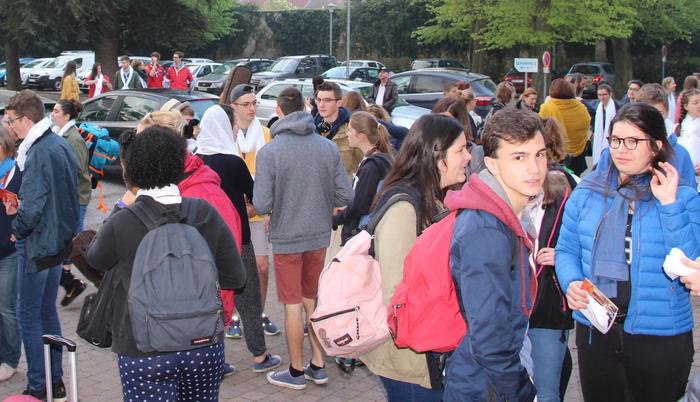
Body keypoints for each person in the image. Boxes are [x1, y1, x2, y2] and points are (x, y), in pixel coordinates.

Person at [86, 126, 246, 400]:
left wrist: (120, 208)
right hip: (202, 345)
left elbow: (95, 258)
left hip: (143, 348)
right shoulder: (204, 212)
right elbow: (236, 278)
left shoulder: (124, 221)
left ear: (132, 170)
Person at [556, 103, 700, 402]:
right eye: (616, 140)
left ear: (657, 146)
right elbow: (567, 249)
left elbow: (690, 263)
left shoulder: (683, 197)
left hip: (660, 335)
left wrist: (669, 205)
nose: (621, 149)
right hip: (597, 330)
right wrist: (571, 281)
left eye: (633, 141)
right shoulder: (587, 191)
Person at [361, 114, 470, 401]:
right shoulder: (405, 209)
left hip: (421, 352)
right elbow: (398, 297)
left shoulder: (430, 198)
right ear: (437, 156)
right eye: (460, 150)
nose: (468, 156)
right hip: (410, 360)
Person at [253, 87, 353, 390]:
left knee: (292, 304)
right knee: (313, 300)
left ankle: (296, 371)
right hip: (318, 235)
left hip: (286, 237)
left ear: (280, 111)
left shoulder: (269, 152)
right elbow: (345, 194)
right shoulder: (327, 147)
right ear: (305, 107)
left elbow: (260, 204)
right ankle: (318, 364)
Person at [443, 109, 544, 401]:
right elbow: (490, 340)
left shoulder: (509, 213)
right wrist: (522, 391)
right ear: (492, 165)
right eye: (518, 157)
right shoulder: (487, 229)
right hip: (486, 386)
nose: (535, 169)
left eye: (539, 154)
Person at [194, 104, 282, 376]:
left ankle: (214, 361)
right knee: (248, 299)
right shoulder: (232, 162)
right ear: (224, 126)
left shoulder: (196, 159)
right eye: (233, 125)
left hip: (202, 243)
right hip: (237, 239)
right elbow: (257, 197)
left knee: (212, 303)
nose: (236, 130)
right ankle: (259, 355)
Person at [4, 90, 79, 399]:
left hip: (36, 245)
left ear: (27, 118)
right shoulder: (58, 143)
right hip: (55, 243)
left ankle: (39, 386)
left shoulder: (38, 151)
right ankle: (55, 381)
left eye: (11, 121)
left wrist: (17, 227)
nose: (9, 127)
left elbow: (34, 208)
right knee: (46, 314)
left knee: (28, 315)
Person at [523, 118, 576, 402]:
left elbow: (589, 245)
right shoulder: (502, 199)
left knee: (545, 392)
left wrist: (564, 256)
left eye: (538, 156)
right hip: (511, 312)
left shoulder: (564, 196)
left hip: (547, 309)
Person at [226, 84, 280, 338]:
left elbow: (273, 175)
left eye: (254, 103)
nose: (251, 109)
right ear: (233, 106)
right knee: (234, 265)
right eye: (245, 104)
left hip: (259, 210)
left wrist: (267, 209)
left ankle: (258, 313)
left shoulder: (267, 134)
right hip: (234, 212)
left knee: (261, 266)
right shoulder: (225, 134)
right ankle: (235, 315)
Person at [51, 100, 90, 307]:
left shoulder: (73, 139)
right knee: (67, 240)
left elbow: (76, 171)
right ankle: (69, 281)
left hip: (74, 199)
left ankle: (96, 274)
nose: (52, 114)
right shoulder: (60, 134)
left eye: (56, 111)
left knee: (73, 242)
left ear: (67, 116)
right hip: (65, 198)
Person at [333, 111, 393, 245]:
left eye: (349, 130)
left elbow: (360, 206)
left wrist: (336, 219)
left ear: (361, 135)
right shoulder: (381, 159)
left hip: (360, 236)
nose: (347, 134)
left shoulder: (371, 167)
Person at [0, 127, 21, 383]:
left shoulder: (14, 174)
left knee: (6, 310)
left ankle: (10, 360)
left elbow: (22, 206)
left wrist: (18, 230)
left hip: (8, 252)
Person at [539, 78, 591, 176]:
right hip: (577, 157)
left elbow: (540, 129)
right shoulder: (581, 108)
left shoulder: (548, 107)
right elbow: (586, 127)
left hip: (555, 157)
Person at [313, 81, 363, 177]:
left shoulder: (353, 130)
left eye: (327, 100)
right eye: (319, 100)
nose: (321, 105)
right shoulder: (311, 129)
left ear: (339, 103)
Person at [676, 88, 700, 190]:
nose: (699, 105)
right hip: (683, 176)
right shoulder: (678, 127)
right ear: (686, 106)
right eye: (695, 103)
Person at [591, 83, 620, 164]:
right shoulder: (597, 106)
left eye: (604, 94)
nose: (601, 97)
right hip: (600, 135)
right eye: (599, 95)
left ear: (610, 94)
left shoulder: (616, 106)